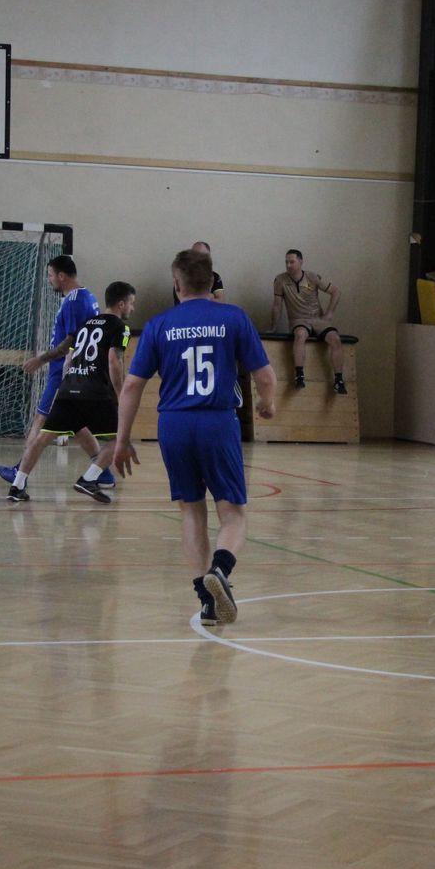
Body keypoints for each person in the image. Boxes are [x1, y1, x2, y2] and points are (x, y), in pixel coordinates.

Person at [113, 248, 276, 626]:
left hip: (174, 425)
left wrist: (122, 440)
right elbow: (265, 376)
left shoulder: (159, 325)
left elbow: (132, 385)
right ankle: (220, 569)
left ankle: (207, 601)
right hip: (217, 422)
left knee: (191, 510)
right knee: (232, 514)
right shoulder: (233, 317)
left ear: (176, 283)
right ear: (212, 281)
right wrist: (267, 403)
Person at [6, 281, 136, 503]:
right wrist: (121, 394)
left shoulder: (85, 325)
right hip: (95, 391)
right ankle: (89, 479)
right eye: (132, 303)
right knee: (120, 439)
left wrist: (70, 383)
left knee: (43, 437)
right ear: (121, 304)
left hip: (69, 389)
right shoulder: (120, 327)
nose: (133, 308)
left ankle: (17, 486)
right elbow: (114, 361)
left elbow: (68, 360)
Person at [0, 256, 106, 486]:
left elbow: (71, 342)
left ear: (61, 276)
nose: (49, 279)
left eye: (50, 275)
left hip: (64, 372)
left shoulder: (75, 300)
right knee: (77, 424)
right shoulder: (85, 296)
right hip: (73, 372)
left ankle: (19, 473)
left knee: (41, 419)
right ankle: (102, 470)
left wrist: (41, 359)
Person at [271, 248, 346, 393]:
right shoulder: (280, 280)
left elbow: (336, 291)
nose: (288, 265)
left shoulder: (312, 277)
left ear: (301, 262)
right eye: (286, 262)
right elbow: (277, 306)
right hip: (298, 320)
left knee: (335, 339)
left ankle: (339, 379)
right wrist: (273, 327)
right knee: (300, 335)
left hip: (317, 319)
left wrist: (329, 313)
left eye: (292, 262)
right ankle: (299, 375)